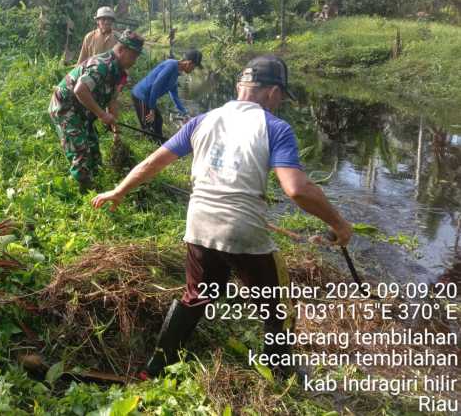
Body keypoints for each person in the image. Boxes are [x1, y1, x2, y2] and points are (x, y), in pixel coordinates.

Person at [92, 55, 353, 378]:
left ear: (239, 87)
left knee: (196, 296)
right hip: (243, 231)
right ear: (272, 92)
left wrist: (118, 191)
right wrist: (339, 223)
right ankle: (281, 374)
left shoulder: (202, 120)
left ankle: (157, 366)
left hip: (199, 225)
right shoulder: (275, 127)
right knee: (276, 305)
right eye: (282, 95)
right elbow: (296, 189)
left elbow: (152, 164)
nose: (281, 102)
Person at [50, 30, 145, 189]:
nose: (134, 61)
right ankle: (84, 192)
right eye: (133, 56)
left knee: (94, 147)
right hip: (65, 106)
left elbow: (112, 99)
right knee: (81, 149)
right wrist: (101, 114)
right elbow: (80, 90)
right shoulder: (102, 65)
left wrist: (116, 130)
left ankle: (96, 180)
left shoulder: (118, 71)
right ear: (121, 50)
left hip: (82, 109)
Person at [131, 49, 203, 144]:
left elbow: (175, 97)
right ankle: (150, 148)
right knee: (149, 126)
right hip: (141, 96)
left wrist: (185, 113)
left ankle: (160, 145)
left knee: (159, 121)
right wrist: (152, 109)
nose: (193, 70)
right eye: (194, 67)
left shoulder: (176, 74)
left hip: (148, 98)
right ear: (189, 63)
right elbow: (156, 85)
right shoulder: (171, 65)